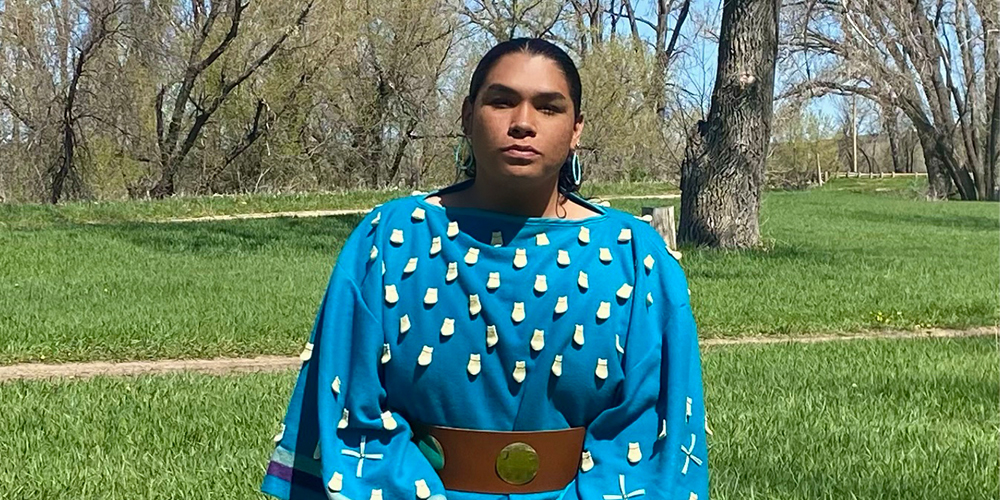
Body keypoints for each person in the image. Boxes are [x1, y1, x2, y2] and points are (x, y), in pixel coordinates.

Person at [260, 37, 710, 500]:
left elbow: (654, 429)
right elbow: (352, 416)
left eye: (548, 108)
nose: (522, 124)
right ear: (467, 116)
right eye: (501, 101)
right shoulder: (390, 239)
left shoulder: (634, 256)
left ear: (576, 129)